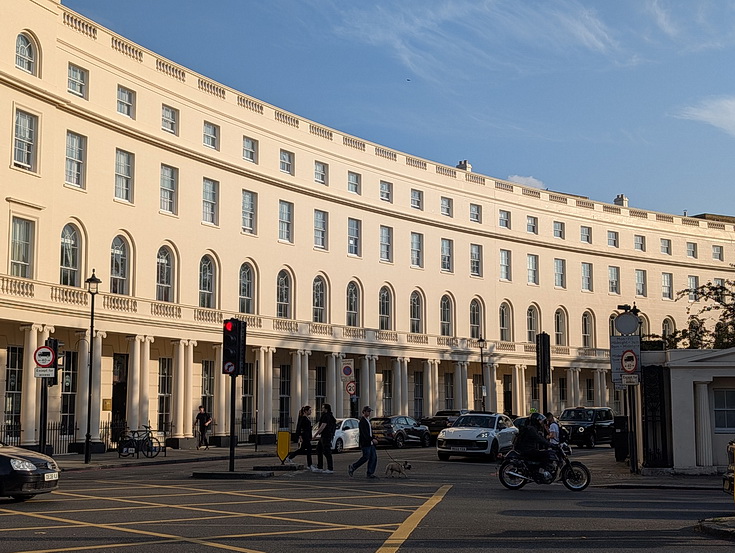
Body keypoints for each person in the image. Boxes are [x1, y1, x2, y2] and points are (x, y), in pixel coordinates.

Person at [285, 405, 319, 472]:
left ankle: (289, 457)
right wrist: (300, 436)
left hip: (307, 436)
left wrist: (310, 436)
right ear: (305, 411)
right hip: (304, 436)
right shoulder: (303, 418)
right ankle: (310, 465)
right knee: (309, 450)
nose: (310, 411)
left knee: (302, 449)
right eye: (309, 410)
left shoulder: (306, 418)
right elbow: (299, 428)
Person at [348, 406, 378, 479]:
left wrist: (374, 437)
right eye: (367, 411)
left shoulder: (368, 420)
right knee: (365, 457)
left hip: (370, 443)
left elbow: (370, 432)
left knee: (373, 457)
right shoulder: (362, 421)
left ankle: (370, 473)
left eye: (369, 411)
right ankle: (353, 466)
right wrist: (372, 439)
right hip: (366, 443)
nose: (369, 413)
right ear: (364, 412)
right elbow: (364, 434)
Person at [314, 403, 337, 474]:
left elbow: (323, 426)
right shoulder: (330, 415)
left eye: (323, 408)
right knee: (319, 449)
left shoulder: (326, 416)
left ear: (326, 409)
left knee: (327, 452)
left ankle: (330, 468)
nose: (322, 409)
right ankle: (320, 467)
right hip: (326, 435)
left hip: (325, 436)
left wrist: (315, 434)